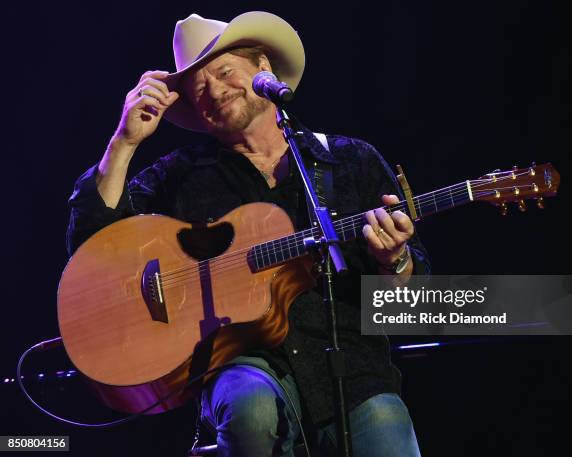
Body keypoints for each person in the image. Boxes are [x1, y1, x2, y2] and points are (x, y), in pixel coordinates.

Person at [66, 11, 430, 457]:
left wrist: (394, 260)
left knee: (387, 426)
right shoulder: (179, 176)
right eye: (199, 91)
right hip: (240, 364)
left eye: (224, 74)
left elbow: (412, 300)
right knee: (249, 411)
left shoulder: (350, 160)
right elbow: (92, 246)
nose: (215, 93)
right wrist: (123, 143)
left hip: (352, 369)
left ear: (264, 68)